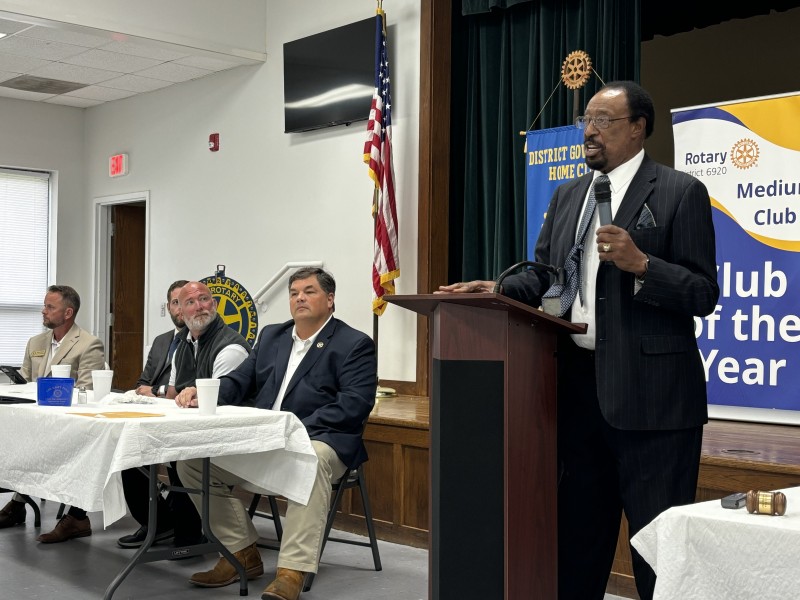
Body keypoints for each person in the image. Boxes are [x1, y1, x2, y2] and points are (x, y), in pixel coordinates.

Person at [438, 81, 720, 600]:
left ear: (638, 128)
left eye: (604, 121)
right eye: (586, 120)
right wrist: (499, 287)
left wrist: (642, 265)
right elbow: (549, 274)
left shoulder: (680, 192)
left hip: (654, 401)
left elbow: (703, 293)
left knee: (660, 552)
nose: (589, 131)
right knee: (576, 542)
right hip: (577, 392)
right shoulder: (570, 194)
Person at [174, 267, 376, 600]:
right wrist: (203, 393)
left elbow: (354, 406)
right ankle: (242, 553)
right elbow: (239, 382)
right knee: (192, 461)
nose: (300, 297)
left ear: (330, 299)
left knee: (309, 459)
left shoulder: (354, 344)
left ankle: (291, 570)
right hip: (265, 438)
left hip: (320, 439)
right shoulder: (271, 336)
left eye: (309, 291)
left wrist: (291, 428)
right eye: (294, 292)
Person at [0, 285, 106, 541]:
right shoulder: (36, 342)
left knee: (46, 446)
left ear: (68, 312)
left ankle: (76, 517)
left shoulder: (89, 344)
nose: (43, 311)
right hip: (37, 418)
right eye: (44, 305)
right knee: (15, 439)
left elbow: (87, 390)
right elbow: (25, 380)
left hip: (69, 422)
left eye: (50, 307)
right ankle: (18, 502)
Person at [116, 279, 204, 550]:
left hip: (185, 419)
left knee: (181, 461)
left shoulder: (199, 341)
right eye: (175, 303)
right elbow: (141, 383)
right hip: (154, 415)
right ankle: (158, 523)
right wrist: (154, 391)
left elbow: (192, 386)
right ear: (170, 307)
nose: (180, 309)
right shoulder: (161, 341)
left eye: (186, 302)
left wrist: (157, 390)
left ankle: (186, 532)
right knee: (127, 454)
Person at [166, 281, 251, 399]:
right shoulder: (180, 348)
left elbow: (216, 400)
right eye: (190, 302)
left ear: (214, 304)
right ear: (181, 313)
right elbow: (171, 398)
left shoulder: (231, 349)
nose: (199, 307)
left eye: (203, 299)